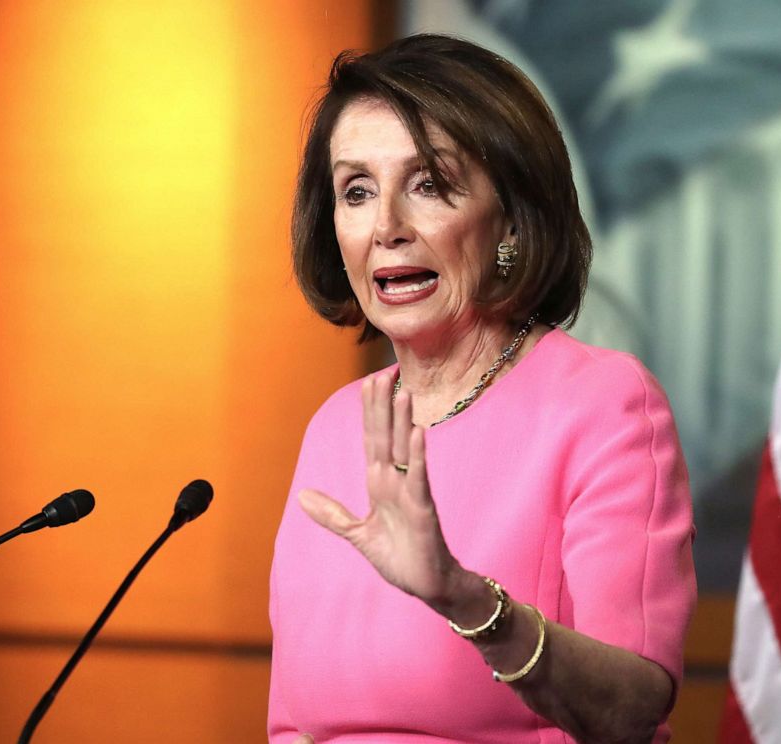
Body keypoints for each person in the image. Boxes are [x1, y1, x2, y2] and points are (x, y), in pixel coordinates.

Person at [268, 34, 696, 744]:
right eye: (356, 191)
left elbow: (633, 711)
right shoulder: (337, 425)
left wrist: (462, 598)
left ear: (510, 220)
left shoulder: (604, 405)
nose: (386, 229)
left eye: (429, 184)